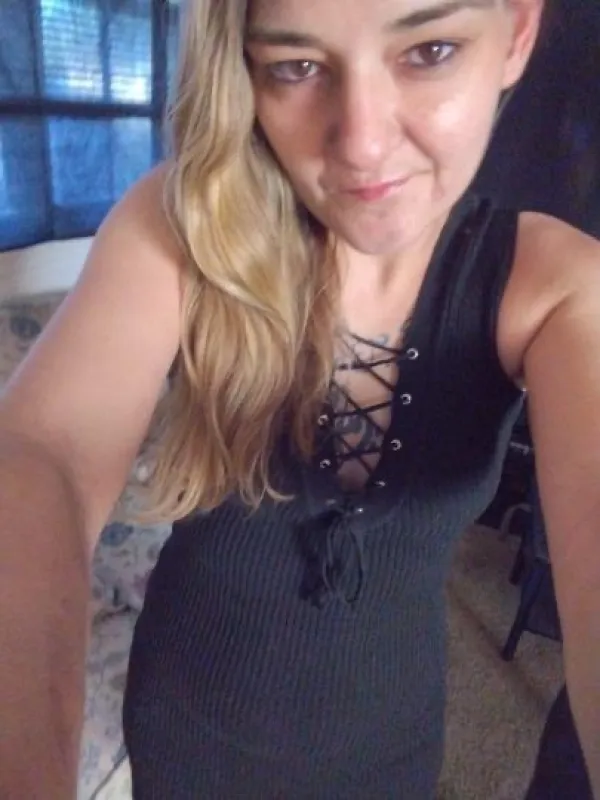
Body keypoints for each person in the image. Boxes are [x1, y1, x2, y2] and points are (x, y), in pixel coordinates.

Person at [1, 0, 599, 797]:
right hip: (186, 732)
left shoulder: (555, 286)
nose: (363, 143)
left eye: (429, 52)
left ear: (517, 34)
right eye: (297, 67)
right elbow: (45, 453)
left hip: (388, 744)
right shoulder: (186, 228)